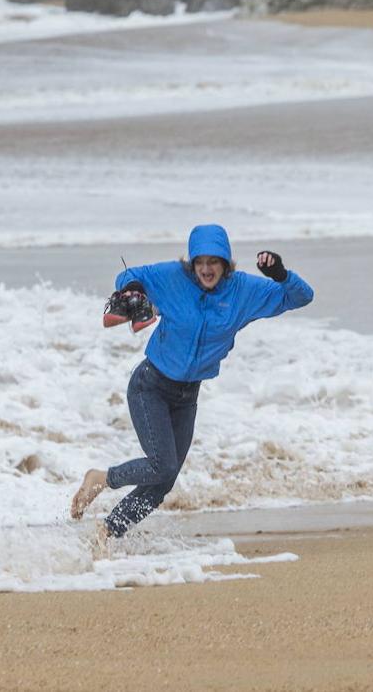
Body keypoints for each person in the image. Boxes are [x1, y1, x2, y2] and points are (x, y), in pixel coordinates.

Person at [70, 223, 314, 537]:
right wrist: (133, 289)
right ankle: (100, 478)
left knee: (163, 483)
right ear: (192, 263)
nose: (206, 268)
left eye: (214, 262)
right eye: (200, 261)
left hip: (187, 397)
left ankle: (106, 534)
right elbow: (128, 276)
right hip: (150, 386)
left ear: (225, 263)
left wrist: (280, 274)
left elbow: (302, 297)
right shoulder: (174, 278)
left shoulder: (244, 292)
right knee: (162, 466)